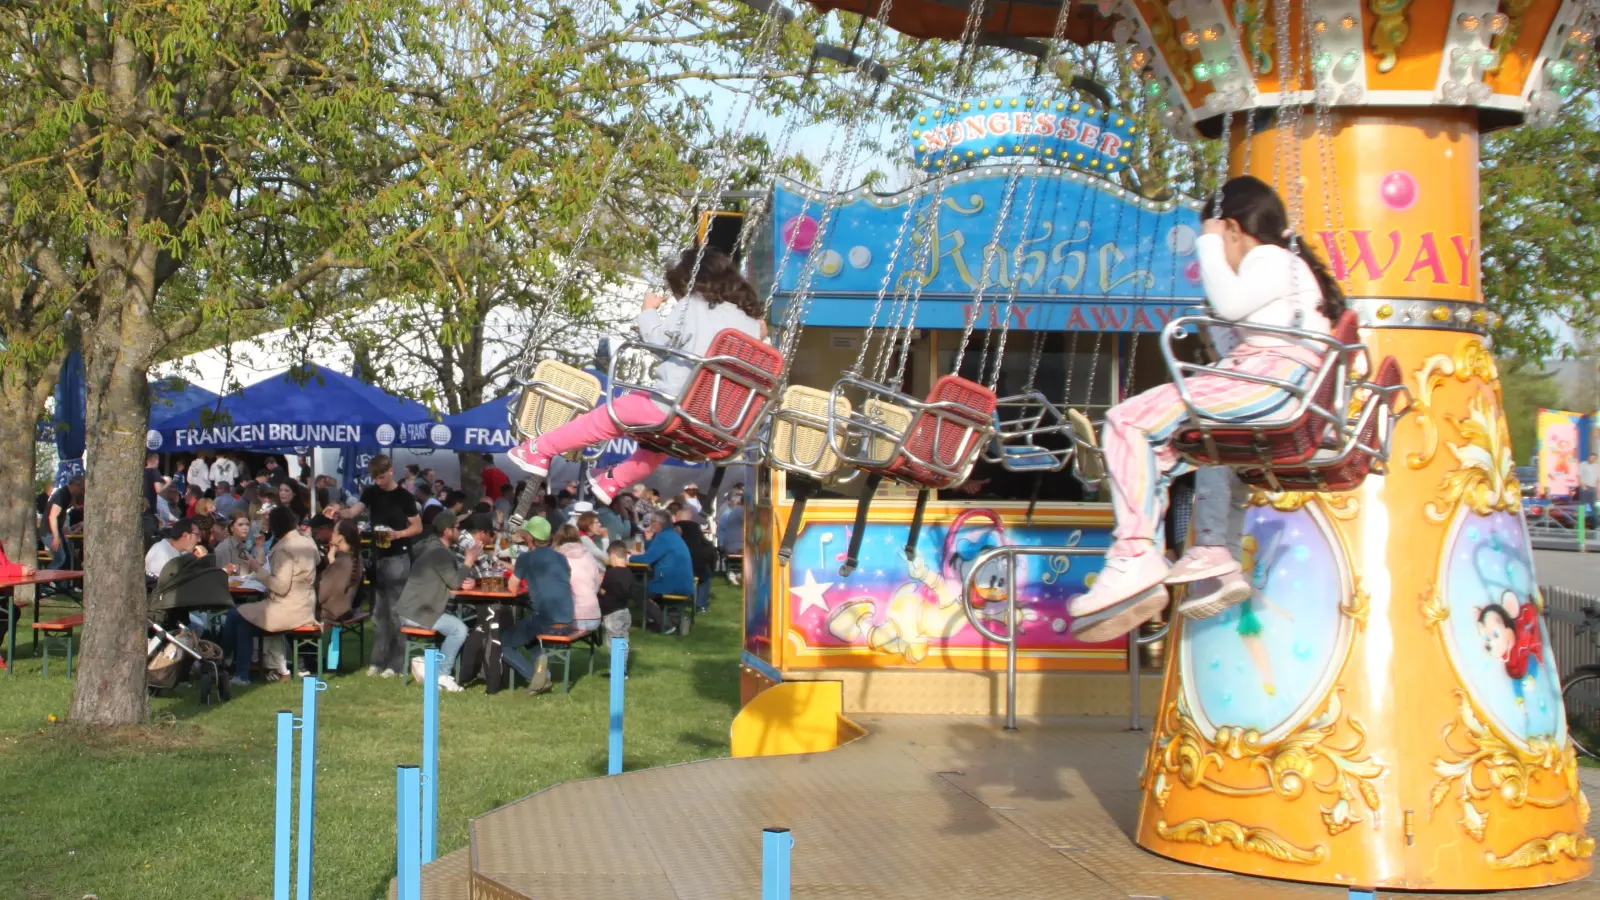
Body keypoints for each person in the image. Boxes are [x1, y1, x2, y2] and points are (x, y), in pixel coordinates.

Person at [1069, 175, 1342, 639]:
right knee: (1172, 447)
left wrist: (1210, 248)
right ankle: (1175, 558)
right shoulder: (1290, 269)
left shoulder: (1271, 257)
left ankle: (1134, 554)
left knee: (1126, 419)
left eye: (1217, 237)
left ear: (1233, 229)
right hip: (1274, 382)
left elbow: (1230, 304)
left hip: (1268, 381)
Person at [508, 248, 767, 502]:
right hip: (719, 427)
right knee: (661, 439)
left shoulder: (693, 306)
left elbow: (657, 341)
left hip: (677, 412)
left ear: (694, 281)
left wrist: (648, 311)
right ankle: (613, 481)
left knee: (613, 412)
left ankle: (539, 450)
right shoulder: (753, 323)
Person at [344, 454, 423, 678]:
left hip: (399, 556)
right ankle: (377, 661)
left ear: (390, 471)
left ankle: (396, 664)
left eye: (381, 477)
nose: (378, 482)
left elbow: (417, 527)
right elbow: (353, 512)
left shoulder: (405, 497)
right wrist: (335, 512)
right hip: (379, 557)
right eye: (375, 478)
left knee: (397, 612)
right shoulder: (370, 492)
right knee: (378, 613)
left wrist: (398, 534)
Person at [222, 506, 319, 684]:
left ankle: (221, 658)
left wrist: (257, 568)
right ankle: (239, 673)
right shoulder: (307, 541)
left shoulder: (284, 548)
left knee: (235, 614)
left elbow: (280, 586)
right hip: (305, 605)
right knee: (242, 622)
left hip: (287, 608)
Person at [396, 510, 475, 691]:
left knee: (455, 624)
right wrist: (469, 561)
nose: (459, 531)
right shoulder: (440, 553)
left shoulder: (433, 547)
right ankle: (442, 674)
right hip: (418, 612)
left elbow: (452, 580)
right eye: (457, 527)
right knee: (459, 630)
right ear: (447, 531)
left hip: (413, 609)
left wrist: (464, 580)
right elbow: (455, 583)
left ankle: (427, 664)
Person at [503, 516, 571, 694]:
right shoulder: (561, 558)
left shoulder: (526, 557)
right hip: (567, 618)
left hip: (546, 619)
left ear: (530, 538)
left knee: (503, 643)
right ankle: (544, 674)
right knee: (528, 634)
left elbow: (512, 587)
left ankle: (535, 678)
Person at [632, 509, 695, 633]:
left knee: (637, 592)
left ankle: (665, 624)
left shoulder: (663, 538)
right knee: (645, 588)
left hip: (672, 581)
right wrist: (649, 540)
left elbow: (646, 559)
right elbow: (655, 554)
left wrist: (628, 557)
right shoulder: (670, 535)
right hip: (681, 580)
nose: (650, 524)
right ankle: (661, 619)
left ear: (659, 523)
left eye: (652, 521)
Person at [597, 541, 640, 678]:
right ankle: (623, 670)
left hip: (612, 613)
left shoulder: (611, 573)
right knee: (623, 641)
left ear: (613, 556)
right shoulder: (629, 573)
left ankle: (616, 672)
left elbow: (604, 590)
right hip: (624, 611)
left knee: (613, 644)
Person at [554, 524, 603, 632]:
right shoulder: (588, 555)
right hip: (594, 614)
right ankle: (619, 649)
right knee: (618, 635)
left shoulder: (557, 558)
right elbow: (596, 583)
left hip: (571, 617)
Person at [673, 505, 715, 614]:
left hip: (675, 565)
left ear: (677, 517)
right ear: (690, 518)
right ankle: (701, 605)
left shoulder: (672, 528)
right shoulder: (695, 528)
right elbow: (705, 545)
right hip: (695, 565)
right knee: (706, 576)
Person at [45, 475, 83, 571]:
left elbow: (65, 529)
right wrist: (75, 531)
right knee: (61, 561)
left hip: (56, 540)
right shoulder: (61, 507)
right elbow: (63, 530)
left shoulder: (65, 514)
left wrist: (76, 527)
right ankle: (46, 580)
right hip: (54, 541)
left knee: (65, 561)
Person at [717, 490, 745, 586]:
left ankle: (737, 573)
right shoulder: (741, 511)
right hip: (736, 547)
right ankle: (738, 573)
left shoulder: (733, 511)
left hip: (730, 544)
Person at [143, 452, 170, 518]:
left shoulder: (142, 471)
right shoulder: (155, 472)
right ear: (156, 460)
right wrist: (168, 483)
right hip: (151, 506)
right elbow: (158, 490)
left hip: (142, 505)